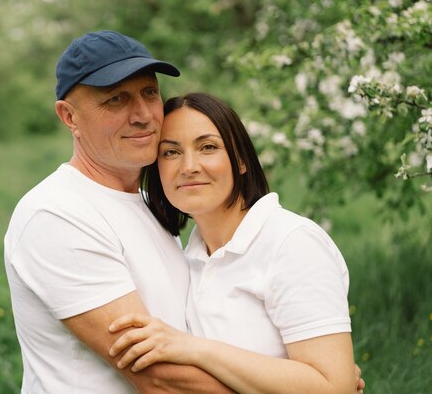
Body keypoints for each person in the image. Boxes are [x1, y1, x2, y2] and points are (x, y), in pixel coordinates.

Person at [4, 30, 236, 393]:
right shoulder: (57, 215)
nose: (144, 115)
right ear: (69, 117)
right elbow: (159, 376)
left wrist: (295, 373)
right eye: (116, 100)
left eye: (149, 92)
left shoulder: (151, 203)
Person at [108, 92, 363, 394]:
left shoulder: (290, 243)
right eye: (171, 152)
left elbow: (332, 388)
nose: (189, 166)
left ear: (241, 160)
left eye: (208, 147)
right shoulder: (187, 256)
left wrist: (195, 349)